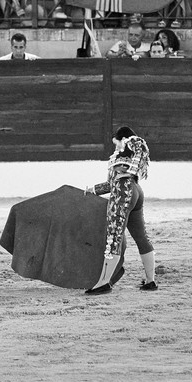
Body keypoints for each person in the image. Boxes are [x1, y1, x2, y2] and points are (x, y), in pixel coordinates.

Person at [83, 125, 156, 294]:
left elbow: (139, 144)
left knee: (114, 237)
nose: (115, 146)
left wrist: (130, 171)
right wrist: (93, 190)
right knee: (141, 237)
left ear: (122, 138)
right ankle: (151, 281)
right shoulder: (123, 155)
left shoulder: (130, 142)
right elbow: (112, 183)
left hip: (123, 194)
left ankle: (103, 283)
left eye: (116, 142)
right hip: (135, 191)